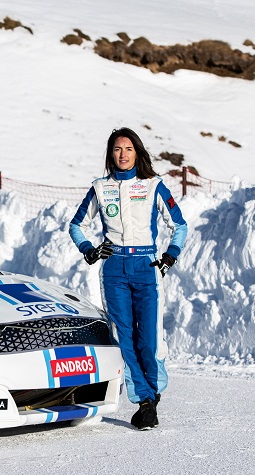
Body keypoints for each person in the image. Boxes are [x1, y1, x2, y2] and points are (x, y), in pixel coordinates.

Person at [69, 127, 188, 430]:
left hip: (147, 267)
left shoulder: (153, 186)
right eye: (117, 149)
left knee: (148, 338)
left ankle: (153, 388)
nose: (123, 155)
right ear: (110, 154)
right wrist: (89, 250)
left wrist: (170, 255)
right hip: (114, 270)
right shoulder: (99, 188)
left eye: (128, 149)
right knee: (124, 339)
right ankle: (144, 402)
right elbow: (76, 225)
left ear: (137, 152)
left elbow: (180, 226)